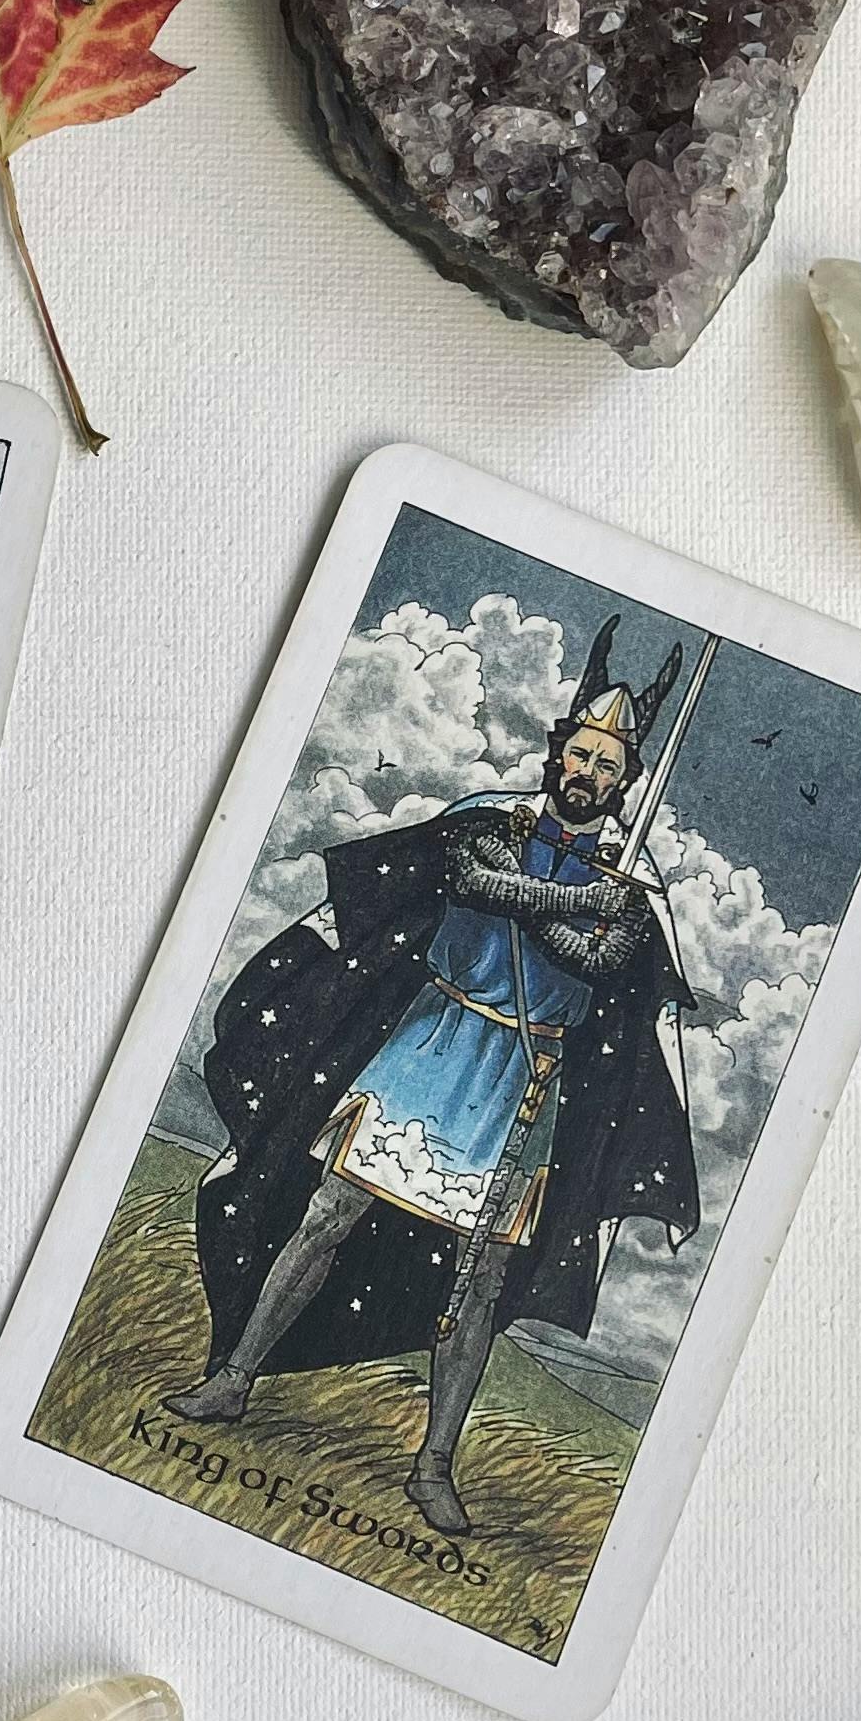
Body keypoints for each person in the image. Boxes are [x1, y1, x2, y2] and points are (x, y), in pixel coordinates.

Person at [170, 624, 697, 1539]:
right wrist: (574, 903)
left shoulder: (630, 881)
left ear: (625, 781)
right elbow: (475, 883)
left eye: (608, 766)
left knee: (481, 1283)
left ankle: (433, 1467)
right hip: (431, 1042)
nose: (589, 773)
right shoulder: (492, 819)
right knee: (326, 1217)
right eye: (581, 754)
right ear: (559, 753)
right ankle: (233, 1380)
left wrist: (574, 912)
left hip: (524, 1080)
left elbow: (601, 962)